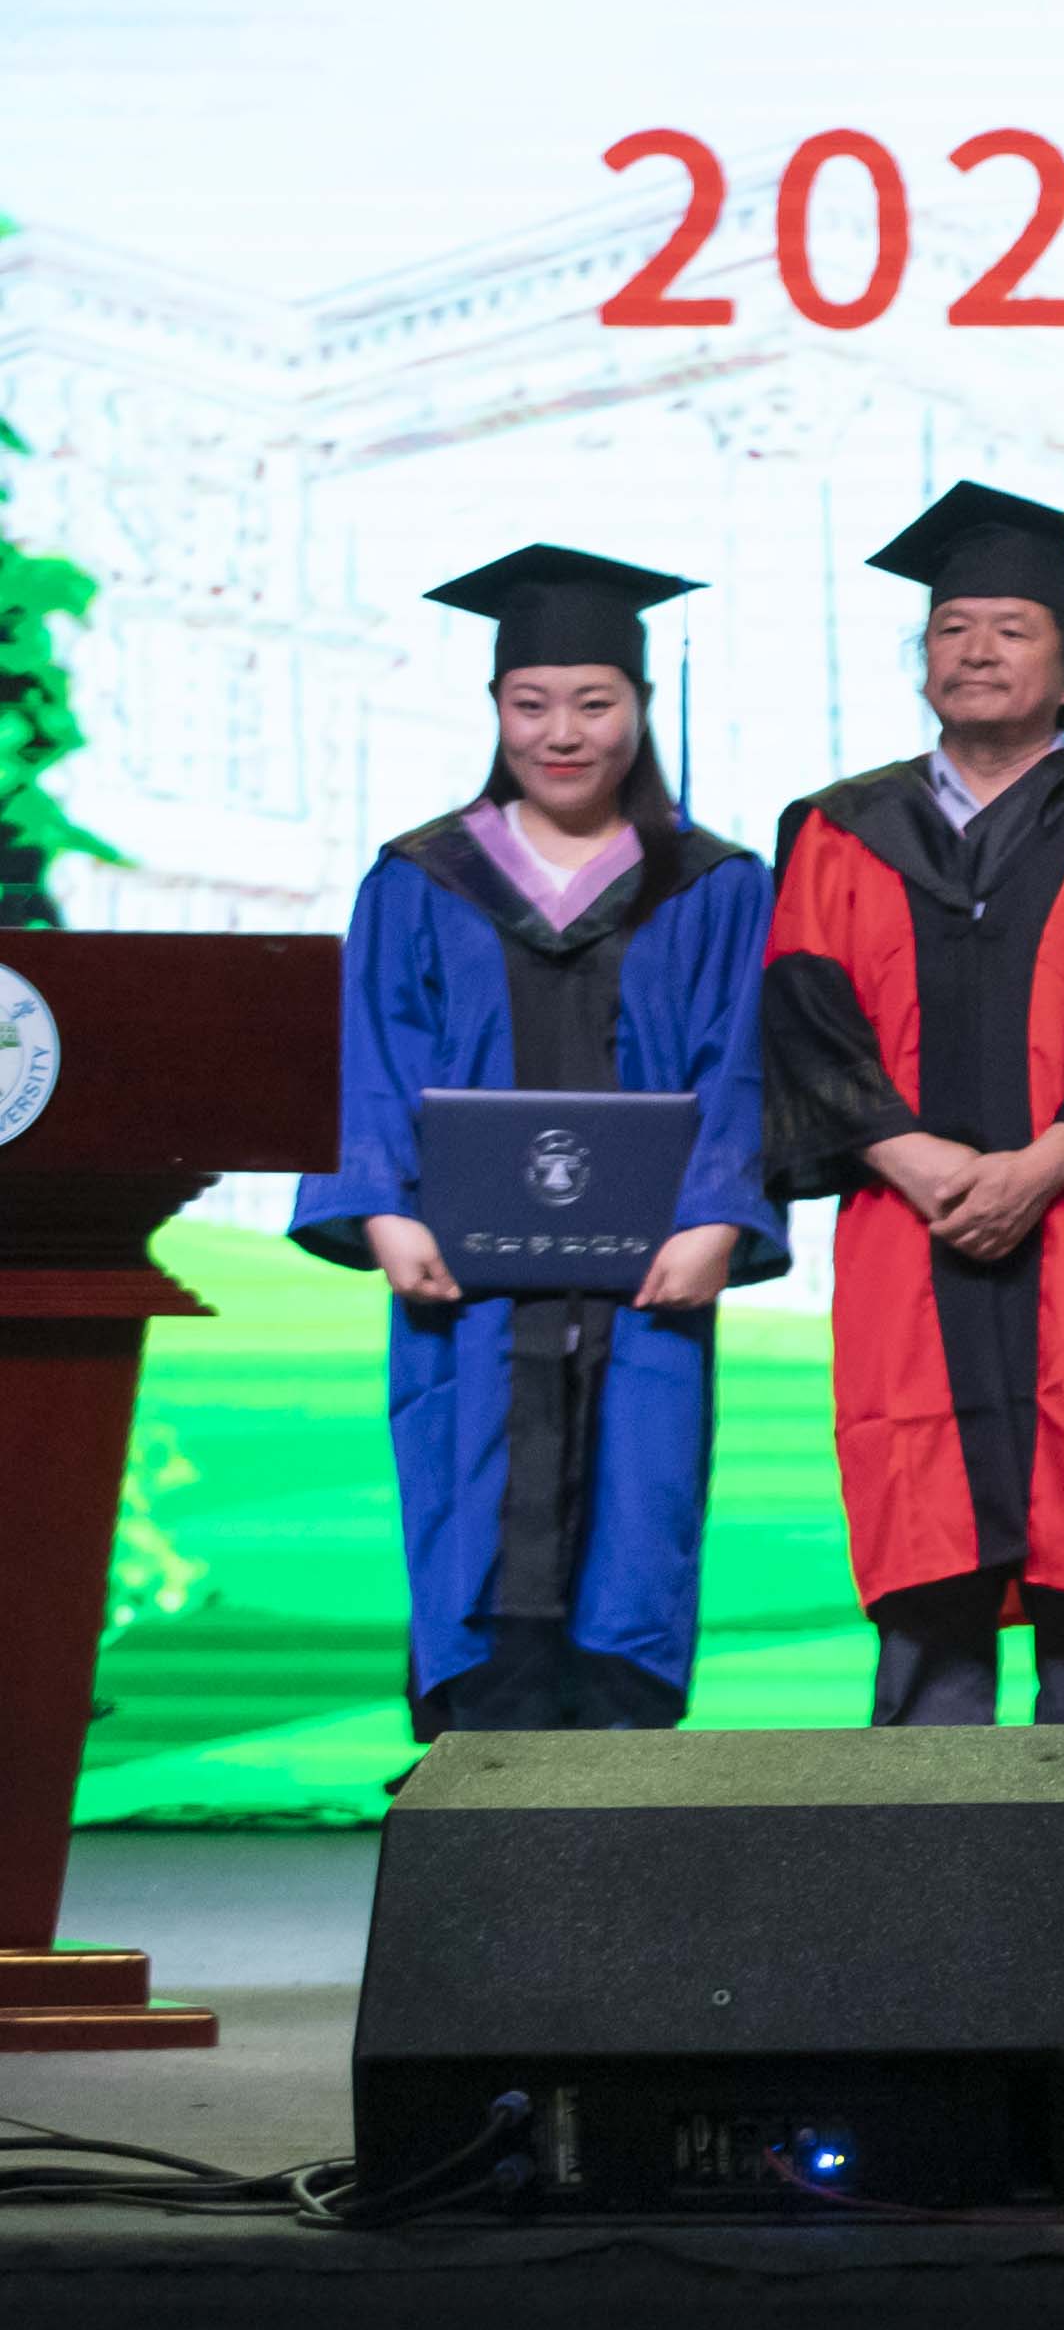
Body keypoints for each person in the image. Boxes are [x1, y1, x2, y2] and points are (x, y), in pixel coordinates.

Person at [292, 548, 782, 1734]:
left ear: (641, 707)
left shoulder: (711, 884)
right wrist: (384, 1207)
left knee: (637, 1531)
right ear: (497, 710)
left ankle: (618, 1812)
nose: (562, 733)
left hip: (648, 1291)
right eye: (531, 704)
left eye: (594, 703)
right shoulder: (421, 879)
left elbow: (741, 1064)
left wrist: (719, 1217)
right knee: (473, 1530)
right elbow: (371, 1054)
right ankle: (475, 1796)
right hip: (466, 1295)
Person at [759, 484, 1064, 1728]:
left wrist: (1041, 1165)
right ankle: (918, 1854)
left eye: (1013, 628)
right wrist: (915, 1159)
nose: (977, 650)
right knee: (925, 1564)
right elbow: (805, 1010)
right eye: (952, 628)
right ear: (922, 662)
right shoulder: (840, 827)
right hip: (906, 1228)